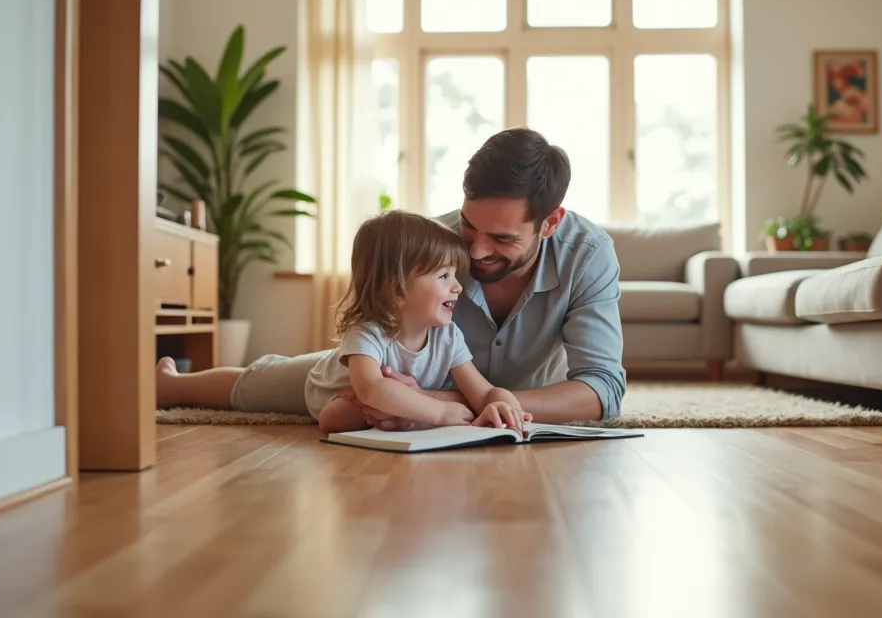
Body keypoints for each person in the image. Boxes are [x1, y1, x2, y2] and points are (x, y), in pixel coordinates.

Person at [156, 127, 627, 428]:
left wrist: (444, 403)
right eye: (469, 225)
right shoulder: (431, 244)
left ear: (551, 222)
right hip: (392, 367)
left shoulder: (588, 257)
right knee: (267, 383)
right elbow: (376, 320)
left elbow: (603, 389)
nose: (475, 251)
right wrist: (401, 393)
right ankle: (172, 385)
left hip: (487, 387)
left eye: (502, 239)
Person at [296, 209, 532, 433]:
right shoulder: (366, 334)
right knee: (330, 406)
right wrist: (439, 413)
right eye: (443, 276)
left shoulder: (448, 336)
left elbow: (484, 392)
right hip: (319, 384)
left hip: (361, 385)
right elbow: (371, 389)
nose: (458, 287)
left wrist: (503, 405)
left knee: (382, 404)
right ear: (397, 290)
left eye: (454, 275)